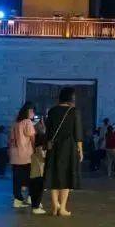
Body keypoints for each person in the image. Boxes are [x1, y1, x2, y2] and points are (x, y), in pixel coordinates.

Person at [43, 86, 83, 217]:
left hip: (53, 147)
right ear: (71, 97)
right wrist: (80, 150)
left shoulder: (52, 111)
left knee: (54, 175)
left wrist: (46, 146)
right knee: (67, 176)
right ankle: (63, 208)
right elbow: (78, 133)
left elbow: (48, 131)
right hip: (69, 148)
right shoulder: (74, 111)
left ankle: (55, 205)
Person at [9, 102, 36, 210]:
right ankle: (30, 197)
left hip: (15, 155)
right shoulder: (27, 122)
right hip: (26, 155)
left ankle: (17, 200)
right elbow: (32, 138)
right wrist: (35, 150)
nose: (33, 114)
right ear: (28, 111)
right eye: (32, 111)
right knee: (31, 177)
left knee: (17, 179)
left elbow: (10, 139)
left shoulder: (15, 123)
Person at [27, 130, 48, 215]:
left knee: (34, 192)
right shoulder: (40, 149)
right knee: (38, 192)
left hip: (32, 174)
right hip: (39, 173)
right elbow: (43, 159)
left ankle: (36, 205)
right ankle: (36, 207)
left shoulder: (32, 149)